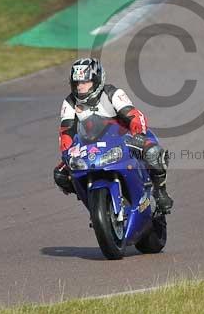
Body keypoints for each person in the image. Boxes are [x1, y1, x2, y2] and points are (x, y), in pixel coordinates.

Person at [54, 58, 173, 212]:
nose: (81, 87)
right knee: (61, 175)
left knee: (153, 152)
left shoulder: (112, 93)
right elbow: (66, 130)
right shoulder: (70, 102)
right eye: (77, 83)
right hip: (89, 146)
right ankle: (94, 204)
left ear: (97, 81)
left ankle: (160, 191)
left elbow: (134, 115)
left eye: (85, 82)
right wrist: (67, 151)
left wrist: (139, 134)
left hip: (123, 138)